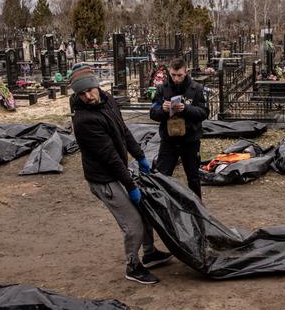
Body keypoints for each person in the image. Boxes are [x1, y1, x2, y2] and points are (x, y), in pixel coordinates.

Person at [70, 64, 172, 285]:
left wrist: (140, 156)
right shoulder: (84, 120)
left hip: (117, 171)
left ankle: (150, 252)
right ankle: (133, 266)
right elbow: (109, 157)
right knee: (133, 224)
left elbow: (123, 130)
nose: (88, 96)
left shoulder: (107, 100)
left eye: (90, 90)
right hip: (104, 180)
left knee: (145, 210)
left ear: (96, 86)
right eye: (82, 93)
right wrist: (131, 186)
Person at [150, 58, 209, 199]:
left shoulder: (196, 89)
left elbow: (204, 113)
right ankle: (163, 207)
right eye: (173, 75)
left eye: (179, 75)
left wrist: (186, 109)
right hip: (168, 141)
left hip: (190, 141)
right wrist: (162, 110)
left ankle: (197, 209)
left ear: (186, 72)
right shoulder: (162, 89)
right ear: (169, 72)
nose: (176, 78)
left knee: (193, 178)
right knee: (162, 176)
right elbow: (153, 113)